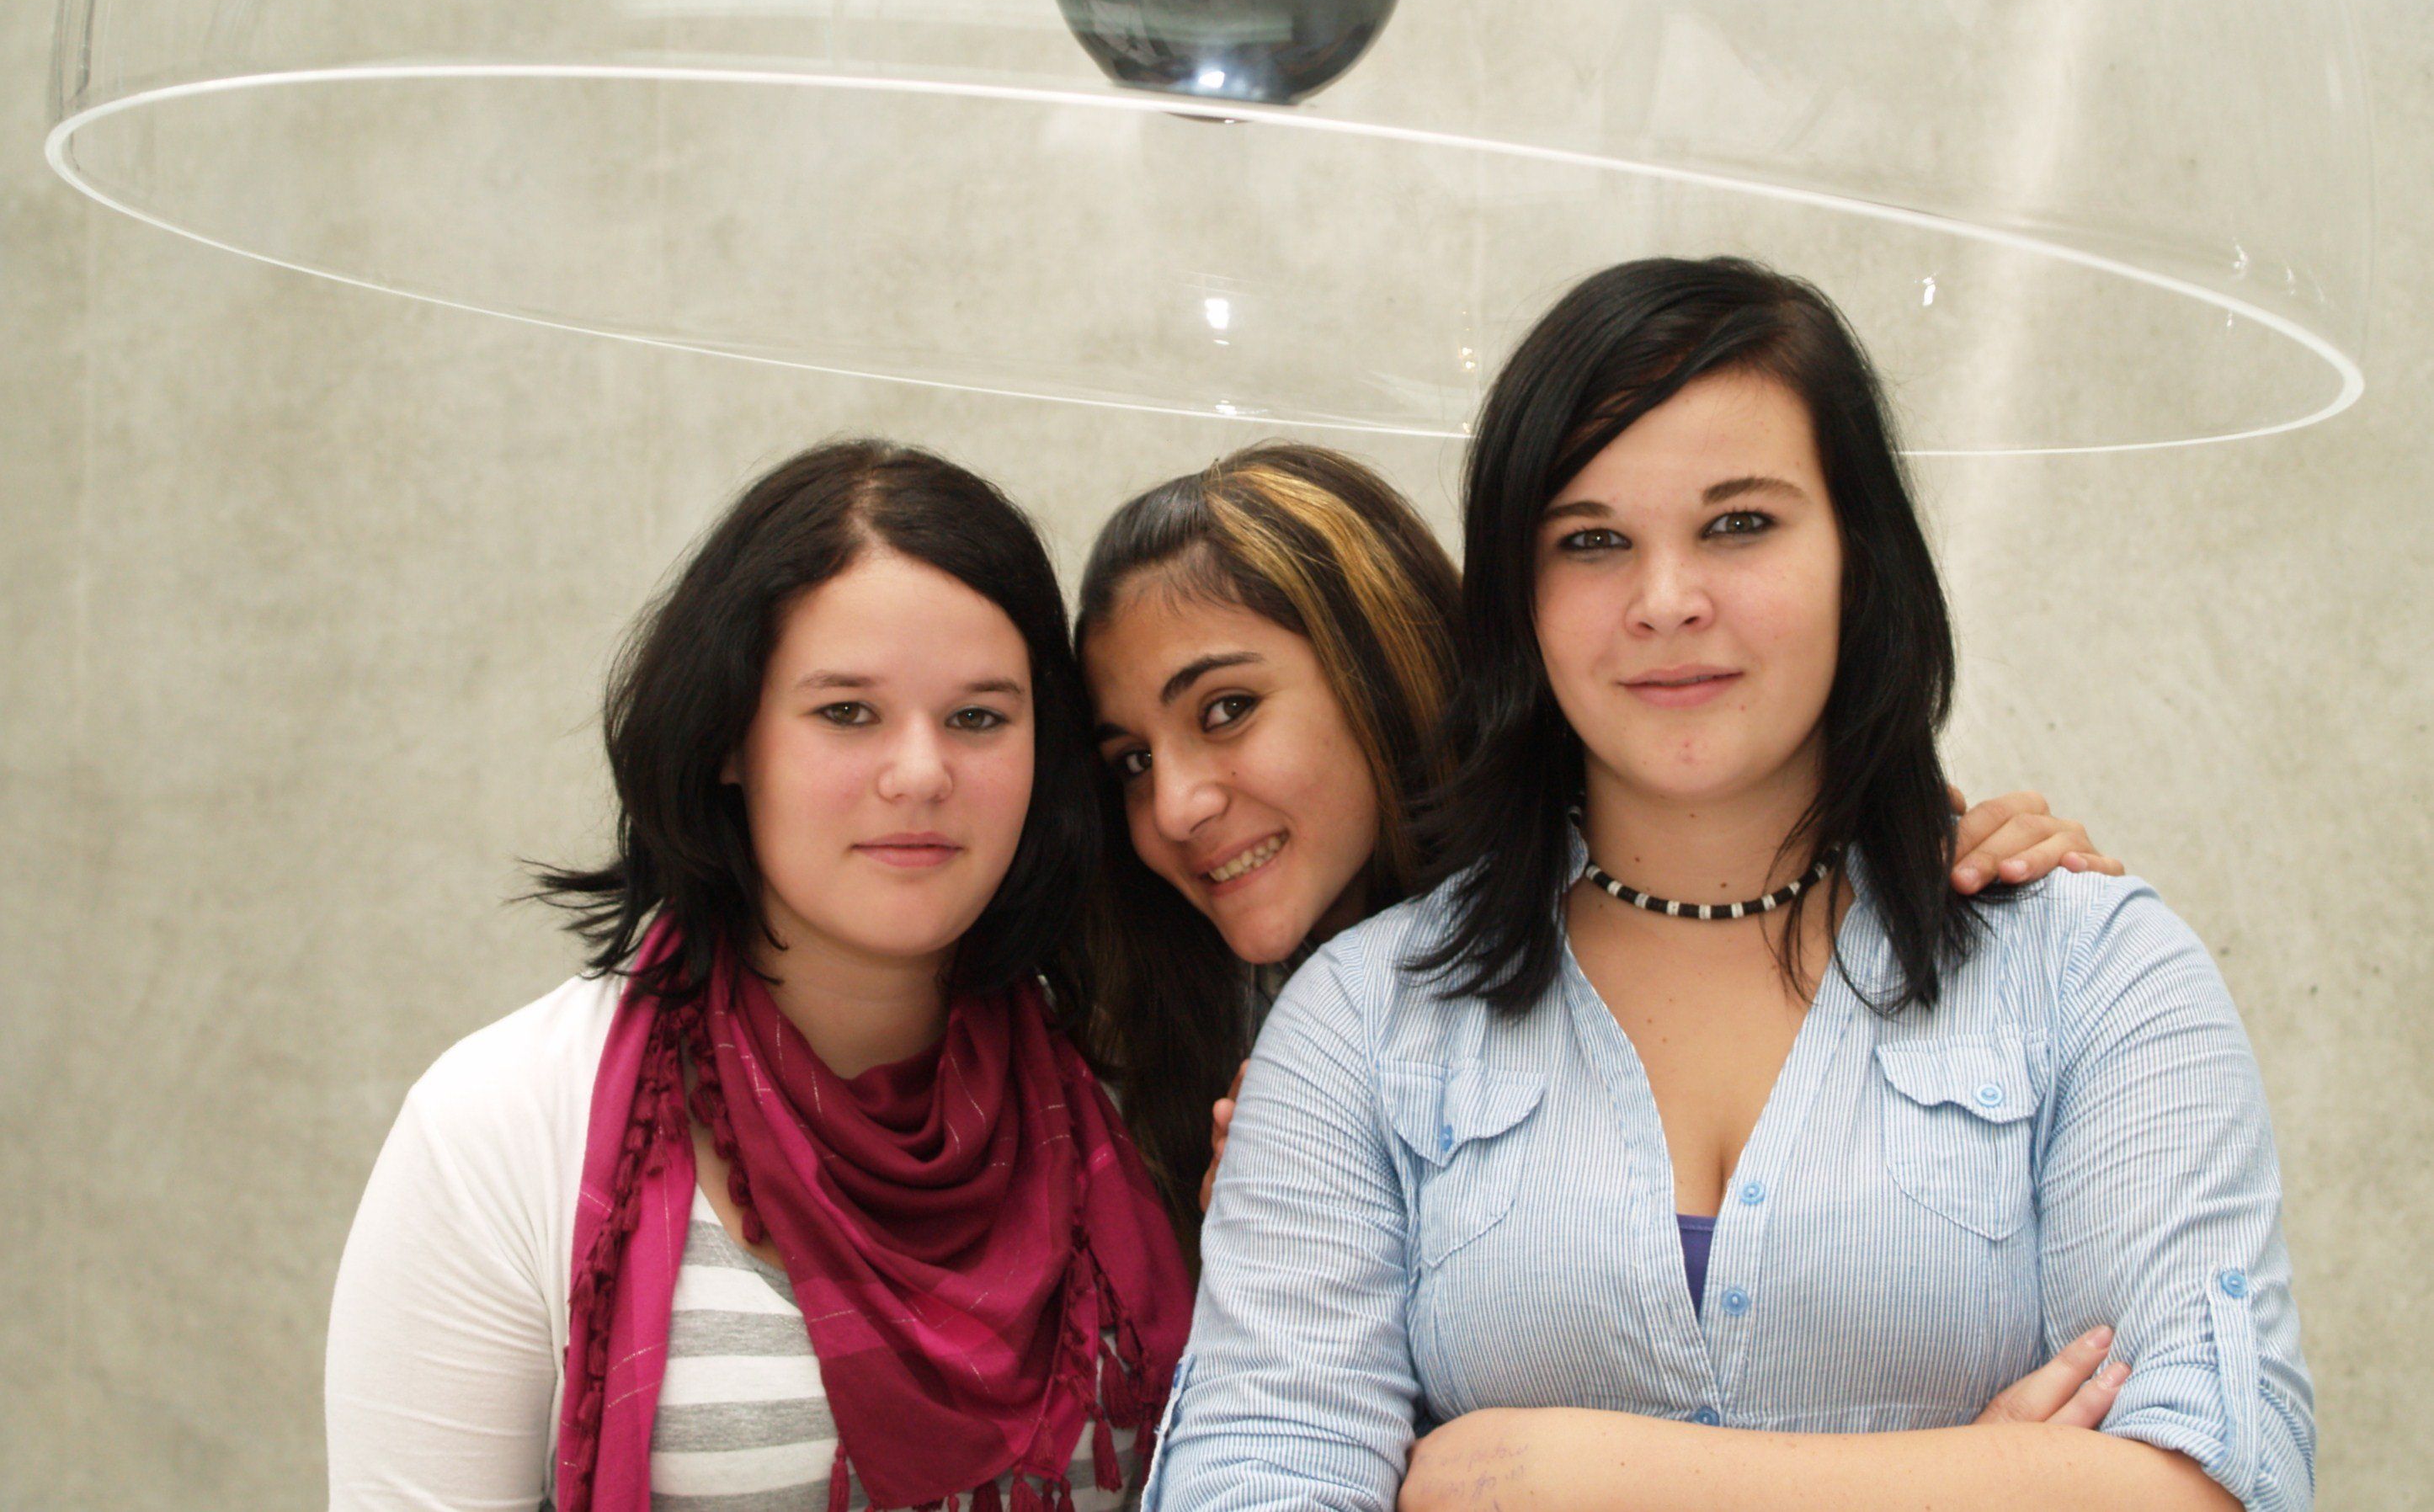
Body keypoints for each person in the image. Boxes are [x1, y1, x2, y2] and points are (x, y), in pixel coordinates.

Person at [1143, 258, 2310, 1512]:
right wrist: (1991, 1476)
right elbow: (1249, 1482)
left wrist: (1569, 1479)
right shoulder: (1360, 1017)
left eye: (1738, 523)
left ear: (1858, 554)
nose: (1665, 601)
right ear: (1519, 599)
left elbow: (2214, 1481)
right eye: (1591, 541)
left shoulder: (2092, 969)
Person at [325, 441, 1191, 1512]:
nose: (920, 772)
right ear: (729, 737)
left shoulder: (1132, 1094)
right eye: (846, 711)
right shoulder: (497, 1124)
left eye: (978, 717)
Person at [1075, 445, 2117, 1243]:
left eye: (1225, 710)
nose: (1174, 806)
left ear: (1379, 661)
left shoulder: (1659, 892)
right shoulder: (1141, 1039)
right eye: (1129, 760)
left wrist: (1984, 870)